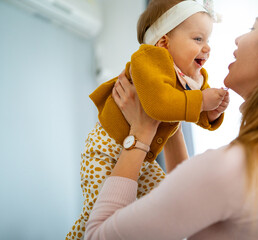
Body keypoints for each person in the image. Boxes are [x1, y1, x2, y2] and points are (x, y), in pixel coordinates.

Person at [84, 0, 258, 239]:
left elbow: (97, 237)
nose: (238, 39)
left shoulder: (237, 168)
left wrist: (141, 134)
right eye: (198, 39)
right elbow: (186, 201)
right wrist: (170, 118)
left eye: (253, 28)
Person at [66, 0, 230, 239]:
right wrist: (202, 101)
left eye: (207, 41)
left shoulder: (192, 74)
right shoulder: (149, 58)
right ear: (164, 42)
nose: (207, 48)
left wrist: (212, 113)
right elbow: (159, 105)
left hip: (141, 157)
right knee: (98, 214)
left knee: (163, 202)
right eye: (198, 39)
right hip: (105, 148)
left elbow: (193, 112)